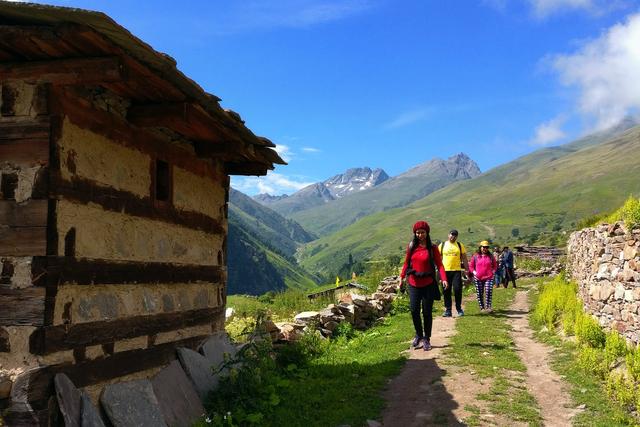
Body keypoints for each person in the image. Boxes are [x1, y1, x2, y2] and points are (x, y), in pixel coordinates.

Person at [398, 220, 448, 351]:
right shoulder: (411, 247)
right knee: (414, 310)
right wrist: (402, 277)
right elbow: (406, 263)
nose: (420, 235)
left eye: (422, 232)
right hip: (413, 283)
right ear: (415, 233)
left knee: (426, 312)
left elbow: (440, 265)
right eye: (418, 232)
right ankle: (418, 335)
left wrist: (444, 279)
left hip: (428, 284)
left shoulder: (432, 248)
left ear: (427, 233)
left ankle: (427, 338)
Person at [439, 229, 469, 317]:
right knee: (446, 290)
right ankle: (448, 310)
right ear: (448, 235)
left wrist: (467, 269)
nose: (453, 236)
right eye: (452, 234)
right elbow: (438, 258)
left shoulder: (460, 245)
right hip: (445, 271)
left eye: (455, 235)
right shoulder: (442, 245)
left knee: (457, 289)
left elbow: (464, 258)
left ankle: (459, 309)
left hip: (456, 270)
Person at [469, 241, 497, 313]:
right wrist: (475, 273)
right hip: (478, 278)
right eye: (483, 247)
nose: (485, 248)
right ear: (480, 247)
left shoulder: (491, 256)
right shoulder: (475, 256)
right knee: (480, 293)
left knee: (488, 291)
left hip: (489, 277)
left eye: (486, 247)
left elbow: (495, 265)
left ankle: (488, 307)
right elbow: (471, 266)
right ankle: (482, 308)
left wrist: (493, 272)